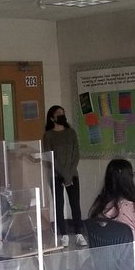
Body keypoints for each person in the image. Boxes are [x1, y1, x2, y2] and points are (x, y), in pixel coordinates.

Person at [42, 104, 85, 247]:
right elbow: (50, 157)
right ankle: (64, 235)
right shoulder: (48, 135)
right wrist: (64, 176)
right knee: (59, 205)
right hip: (55, 174)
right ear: (52, 117)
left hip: (72, 174)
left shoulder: (71, 132)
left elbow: (76, 154)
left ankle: (79, 233)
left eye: (63, 112)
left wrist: (68, 175)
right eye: (59, 113)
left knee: (75, 204)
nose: (62, 115)